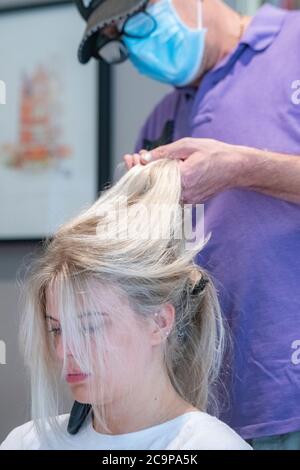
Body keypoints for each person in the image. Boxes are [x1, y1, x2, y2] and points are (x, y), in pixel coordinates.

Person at [74, 0, 300, 450]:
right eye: (119, 44)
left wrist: (242, 168)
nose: (137, 51)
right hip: (207, 413)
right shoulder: (162, 124)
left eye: (138, 23)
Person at [0, 160, 251, 450]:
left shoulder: (209, 446)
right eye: (56, 329)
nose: (63, 349)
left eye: (89, 326)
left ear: (159, 322)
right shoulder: (28, 442)